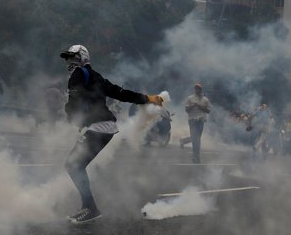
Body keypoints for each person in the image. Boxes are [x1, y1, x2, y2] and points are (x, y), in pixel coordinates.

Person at [60, 44, 163, 224]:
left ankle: (91, 209)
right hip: (106, 126)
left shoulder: (77, 75)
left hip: (98, 126)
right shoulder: (96, 76)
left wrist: (70, 114)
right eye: (68, 58)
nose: (69, 62)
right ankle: (88, 207)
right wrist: (147, 98)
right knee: (75, 165)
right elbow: (120, 93)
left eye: (73, 58)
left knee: (73, 165)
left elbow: (73, 103)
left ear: (82, 58)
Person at [178, 83, 212, 163]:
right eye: (196, 88)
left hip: (201, 120)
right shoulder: (190, 98)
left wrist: (199, 106)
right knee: (196, 139)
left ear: (201, 90)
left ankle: (184, 141)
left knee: (196, 139)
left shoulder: (205, 100)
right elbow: (186, 110)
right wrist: (193, 106)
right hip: (192, 120)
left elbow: (208, 110)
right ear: (194, 89)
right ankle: (196, 157)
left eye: (198, 88)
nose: (197, 90)